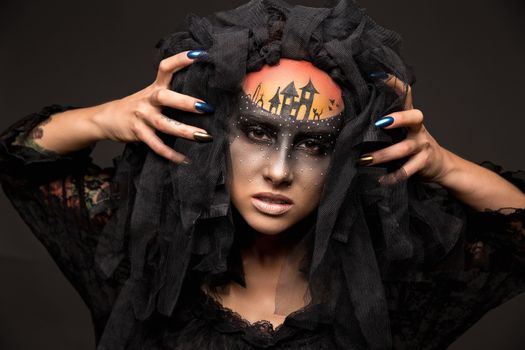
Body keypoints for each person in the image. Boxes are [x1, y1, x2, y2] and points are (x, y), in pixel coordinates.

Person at [1, 0, 524, 349]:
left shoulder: (400, 290)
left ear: (346, 158)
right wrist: (104, 117)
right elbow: (16, 162)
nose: (278, 171)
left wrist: (441, 162)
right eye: (255, 132)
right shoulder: (141, 259)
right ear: (219, 136)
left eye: (316, 144)